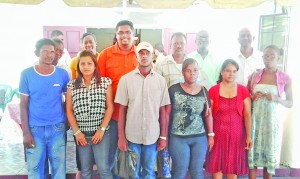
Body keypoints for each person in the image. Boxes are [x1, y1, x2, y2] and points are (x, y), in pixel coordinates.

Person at [115, 42, 170, 179]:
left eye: (147, 53)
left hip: (152, 136)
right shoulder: (126, 80)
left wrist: (163, 136)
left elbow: (162, 110)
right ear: (136, 56)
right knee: (133, 173)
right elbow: (122, 110)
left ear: (153, 56)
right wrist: (121, 137)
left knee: (149, 172)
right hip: (132, 135)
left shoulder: (160, 81)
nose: (144, 56)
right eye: (141, 53)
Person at [19, 38, 70, 178]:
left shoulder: (62, 74)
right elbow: (23, 105)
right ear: (36, 53)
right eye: (45, 52)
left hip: (57, 129)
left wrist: (66, 118)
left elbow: (69, 99)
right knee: (35, 169)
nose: (49, 55)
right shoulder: (26, 74)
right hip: (35, 129)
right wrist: (25, 132)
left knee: (59, 169)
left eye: (52, 52)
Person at [97, 20, 138, 178]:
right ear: (116, 35)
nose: (124, 36)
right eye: (120, 32)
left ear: (133, 35)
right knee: (109, 157)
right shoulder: (105, 55)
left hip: (134, 117)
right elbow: (99, 85)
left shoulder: (140, 54)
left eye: (128, 32)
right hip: (112, 117)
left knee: (132, 157)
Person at [66, 50, 114, 179]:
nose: (86, 67)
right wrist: (77, 132)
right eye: (82, 64)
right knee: (85, 170)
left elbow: (110, 107)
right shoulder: (72, 85)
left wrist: (101, 130)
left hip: (101, 134)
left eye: (89, 63)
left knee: (103, 168)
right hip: (81, 135)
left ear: (95, 65)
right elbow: (69, 110)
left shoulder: (105, 82)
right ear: (78, 66)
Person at [247, 45, 293, 179]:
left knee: (269, 159)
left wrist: (276, 98)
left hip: (272, 124)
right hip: (255, 121)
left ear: (278, 58)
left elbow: (290, 103)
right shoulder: (254, 76)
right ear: (262, 58)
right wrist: (252, 97)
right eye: (266, 56)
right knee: (253, 158)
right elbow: (245, 97)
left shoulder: (285, 78)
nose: (268, 59)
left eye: (272, 56)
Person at [205, 59, 252, 179]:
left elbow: (247, 115)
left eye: (234, 71)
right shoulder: (213, 90)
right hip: (218, 137)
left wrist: (249, 136)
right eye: (227, 71)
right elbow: (208, 115)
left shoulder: (243, 90)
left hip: (237, 137)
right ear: (221, 72)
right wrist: (209, 135)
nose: (231, 74)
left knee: (232, 171)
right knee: (217, 170)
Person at [168, 58, 214, 179]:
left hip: (199, 138)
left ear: (198, 72)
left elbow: (208, 115)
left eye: (195, 70)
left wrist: (210, 135)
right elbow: (166, 114)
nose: (192, 73)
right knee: (179, 171)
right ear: (183, 72)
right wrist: (164, 136)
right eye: (188, 70)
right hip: (178, 138)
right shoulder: (173, 89)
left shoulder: (204, 91)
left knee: (197, 172)